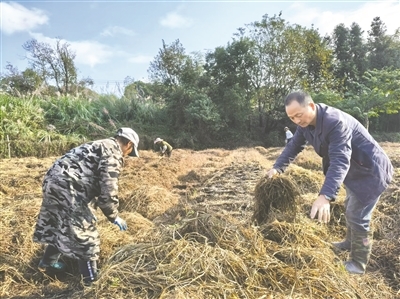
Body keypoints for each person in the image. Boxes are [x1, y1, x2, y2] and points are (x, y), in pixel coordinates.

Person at [265, 91, 393, 275]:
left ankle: (358, 263)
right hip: (354, 171)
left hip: (370, 172)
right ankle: (349, 242)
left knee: (358, 216)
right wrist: (277, 168)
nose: (296, 120)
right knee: (350, 206)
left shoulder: (335, 122)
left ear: (311, 106)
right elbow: (293, 146)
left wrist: (325, 196)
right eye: (291, 117)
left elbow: (340, 160)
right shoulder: (305, 124)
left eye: (298, 115)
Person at [33, 127, 140, 286]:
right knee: (85, 234)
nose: (127, 155)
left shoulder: (98, 144)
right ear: (129, 144)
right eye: (129, 152)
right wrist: (113, 215)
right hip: (70, 188)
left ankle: (47, 263)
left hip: (53, 181)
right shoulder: (114, 152)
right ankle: (91, 283)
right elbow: (108, 190)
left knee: (60, 223)